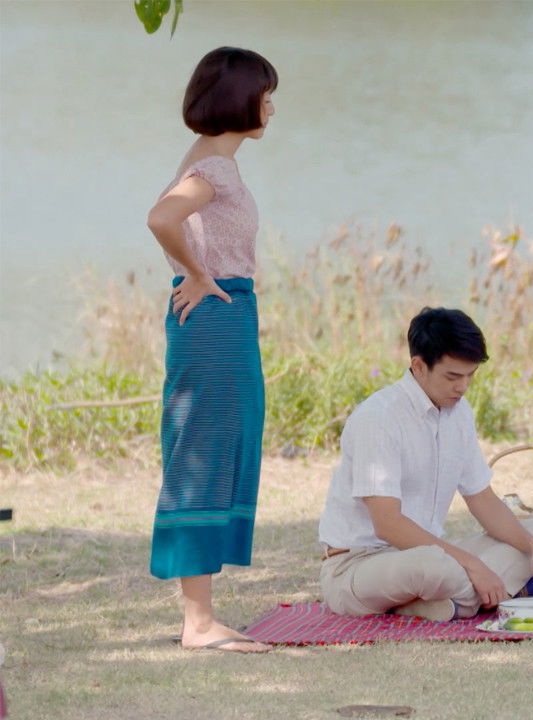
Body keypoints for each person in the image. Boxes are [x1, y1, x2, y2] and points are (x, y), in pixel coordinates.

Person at [146, 47, 278, 653]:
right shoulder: (214, 170)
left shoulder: (207, 159)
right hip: (216, 317)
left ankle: (201, 615)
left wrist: (196, 273)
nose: (271, 108)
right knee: (204, 451)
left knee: (220, 448)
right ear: (239, 101)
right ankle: (198, 623)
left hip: (223, 315)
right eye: (265, 96)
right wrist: (198, 275)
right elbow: (162, 219)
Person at [318, 307, 533, 620]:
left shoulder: (460, 413)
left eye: (470, 376)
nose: (463, 387)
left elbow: (482, 499)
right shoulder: (378, 418)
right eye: (453, 376)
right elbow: (388, 524)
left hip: (430, 555)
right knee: (435, 566)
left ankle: (446, 604)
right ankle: (475, 597)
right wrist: (474, 566)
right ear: (418, 366)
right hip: (359, 564)